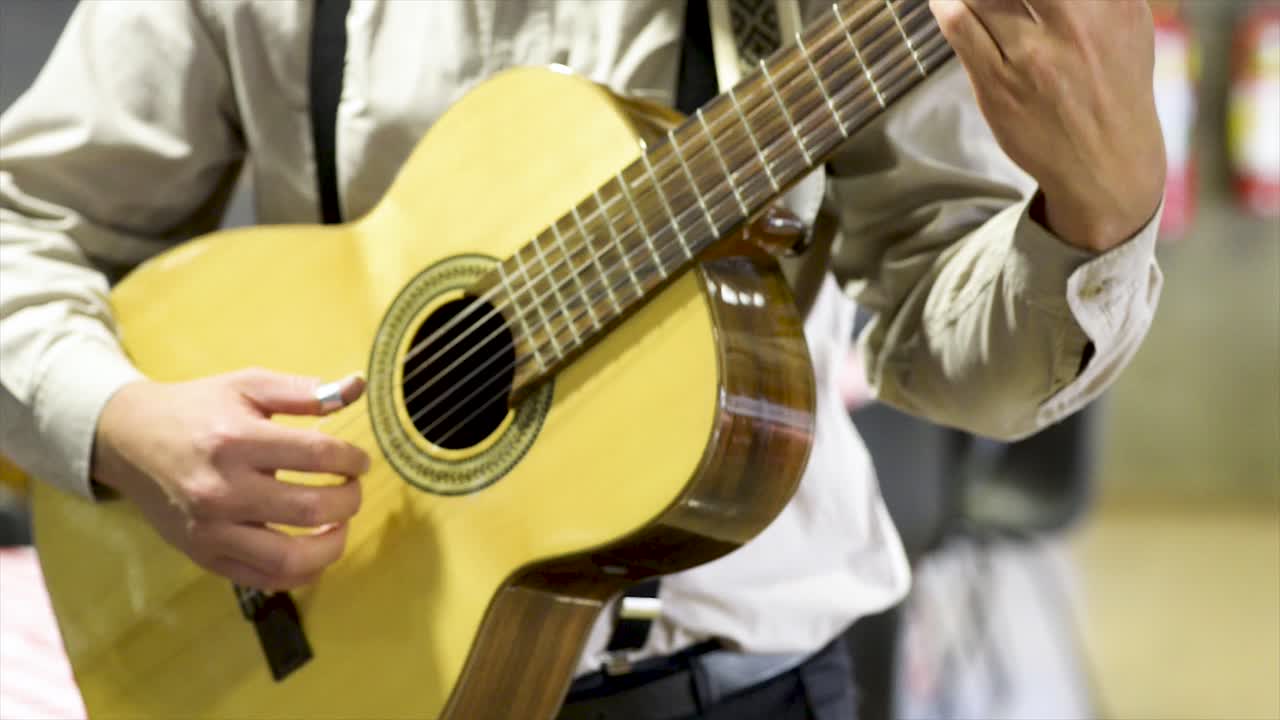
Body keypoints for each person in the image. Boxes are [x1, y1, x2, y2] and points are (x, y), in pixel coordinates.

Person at [0, 1, 1166, 717]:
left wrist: (1091, 216)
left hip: (728, 689)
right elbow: (22, 220)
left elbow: (955, 353)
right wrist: (113, 424)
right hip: (325, 663)